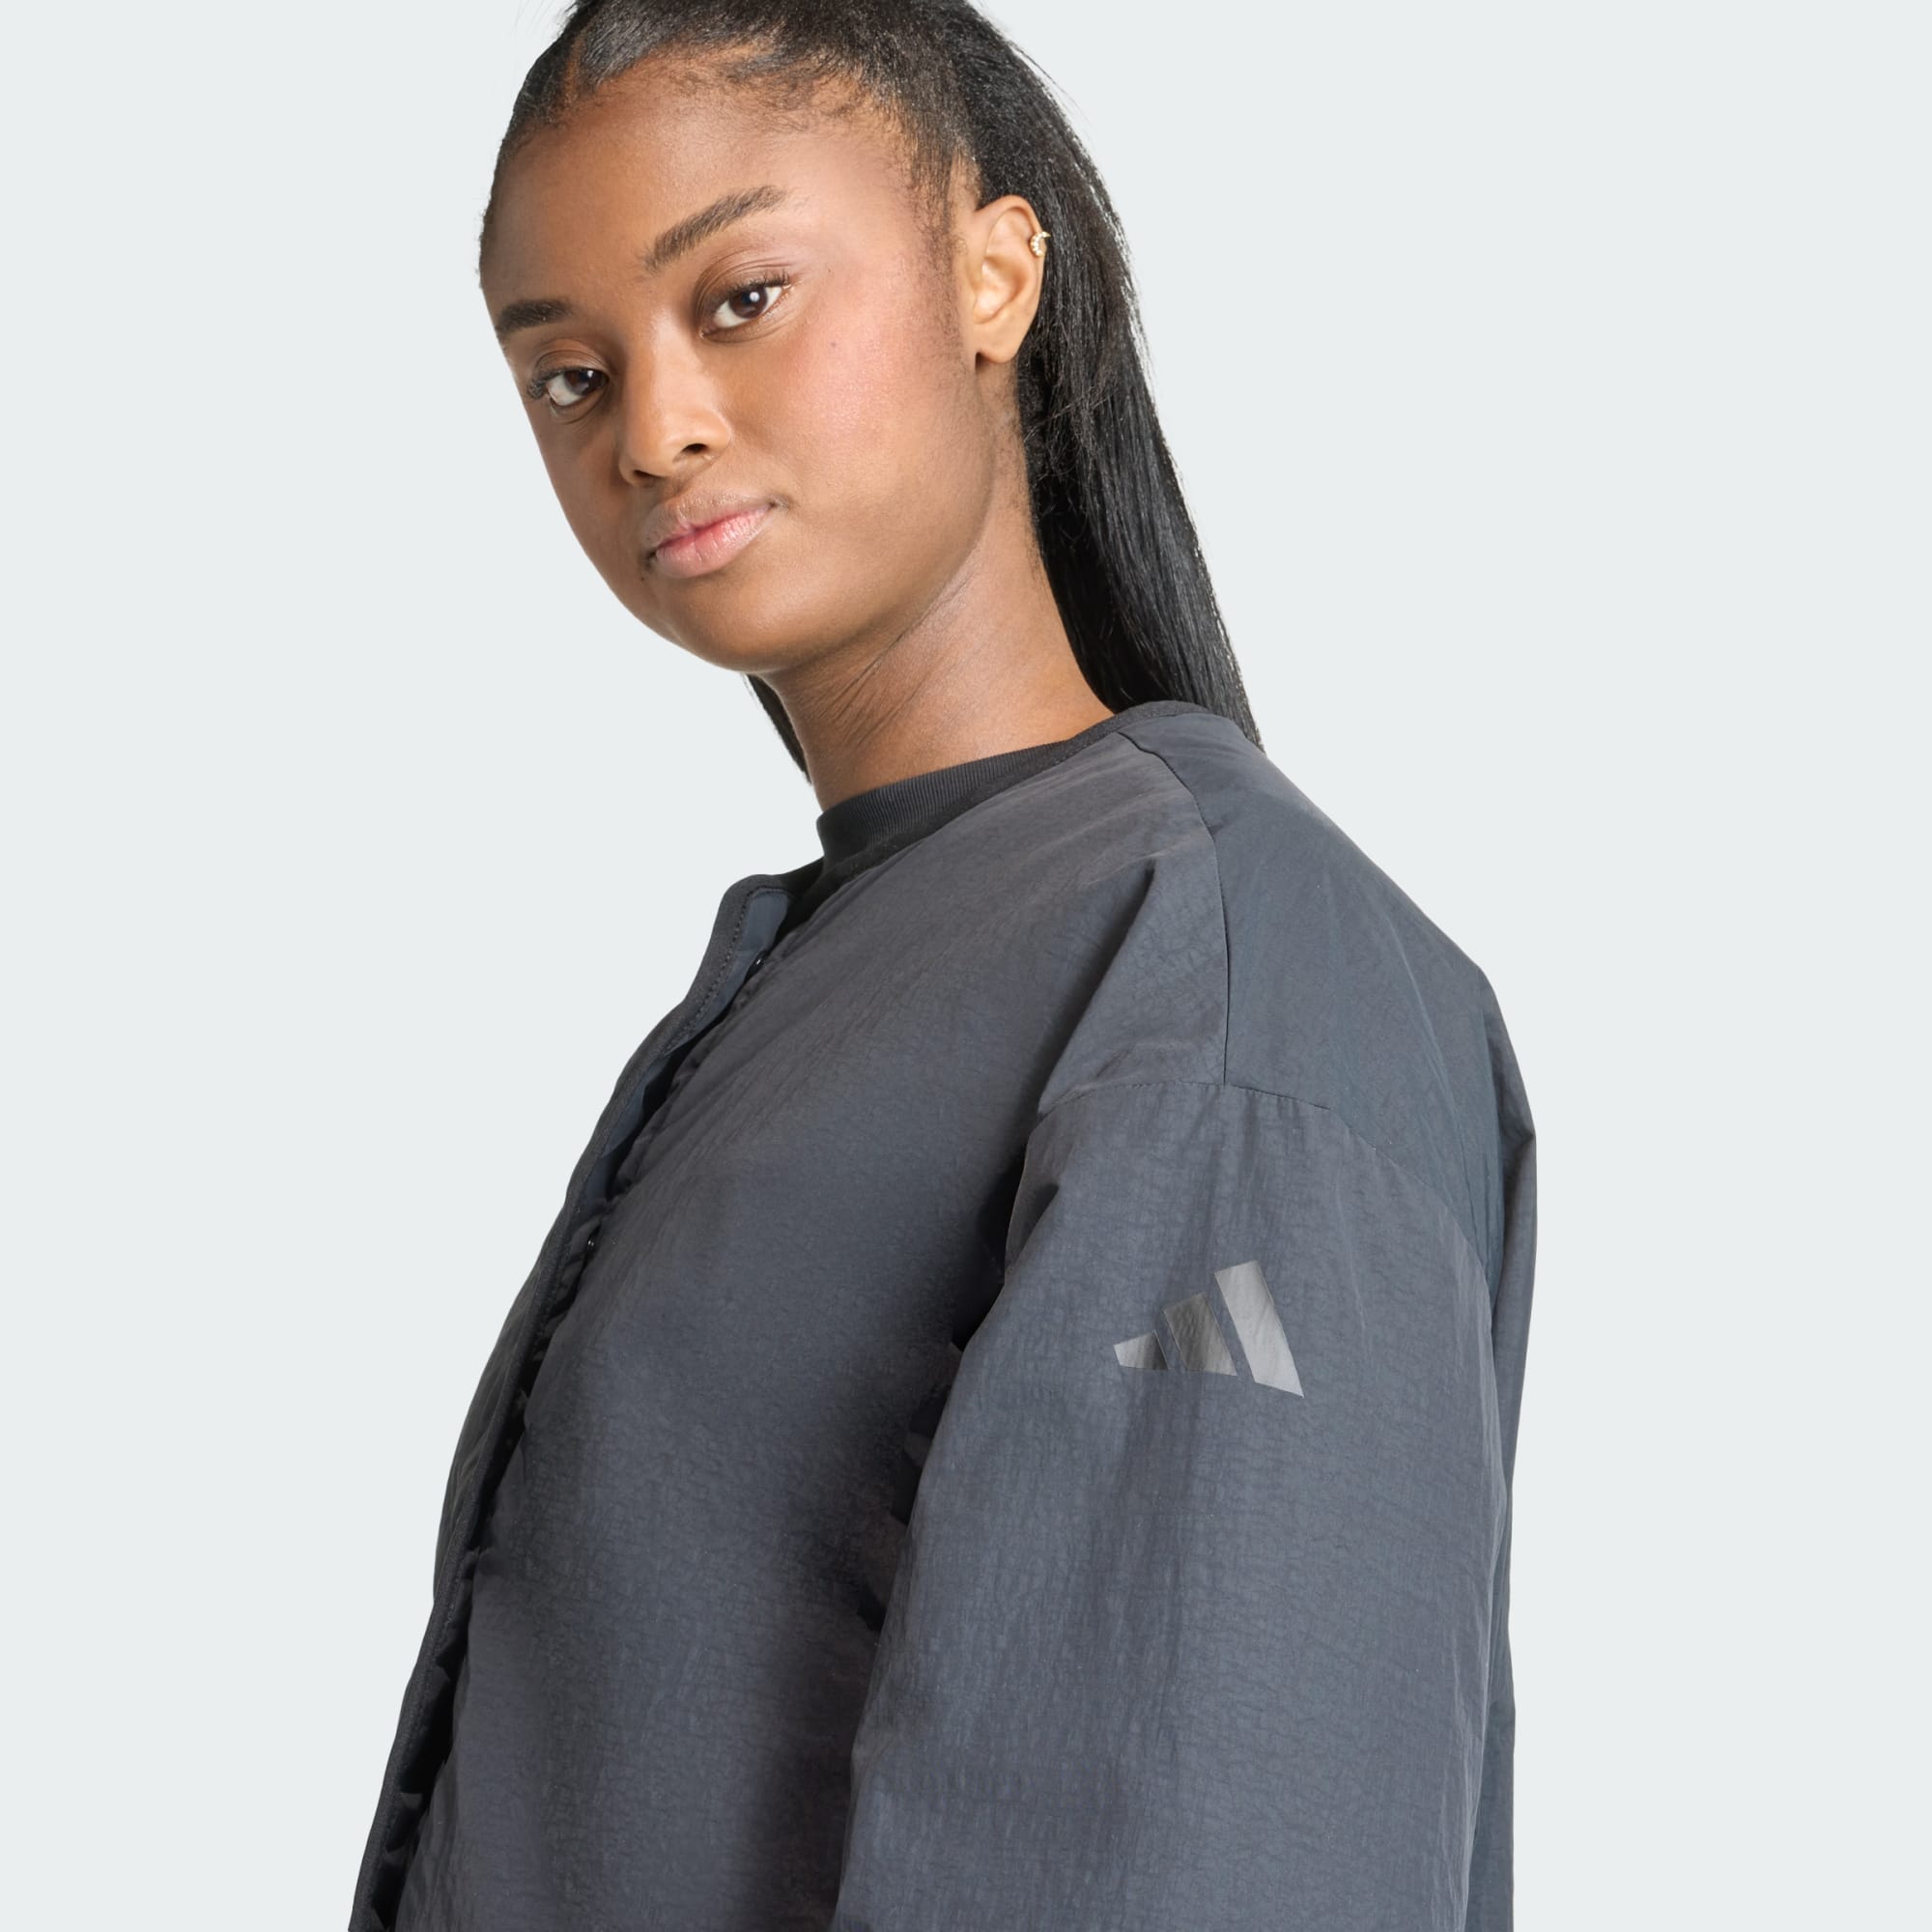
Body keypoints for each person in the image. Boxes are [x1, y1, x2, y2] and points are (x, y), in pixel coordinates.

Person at [350, 3, 1538, 1927]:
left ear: (994, 275)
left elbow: (1199, 1840)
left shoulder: (1217, 964)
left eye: (741, 299)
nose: (653, 428)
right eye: (570, 373)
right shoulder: (837, 973)